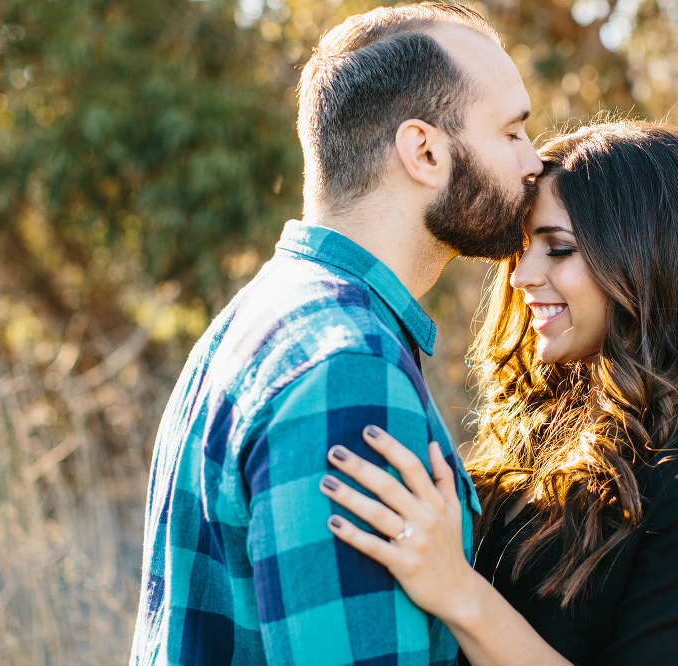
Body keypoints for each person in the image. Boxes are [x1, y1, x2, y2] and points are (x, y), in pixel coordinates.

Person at [129, 4, 543, 665]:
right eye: (513, 133)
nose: (534, 163)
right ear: (425, 151)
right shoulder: (347, 366)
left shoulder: (261, 319)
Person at [318, 121, 678, 665]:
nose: (520, 277)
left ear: (648, 260)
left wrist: (456, 591)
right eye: (522, 249)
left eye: (558, 249)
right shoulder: (540, 427)